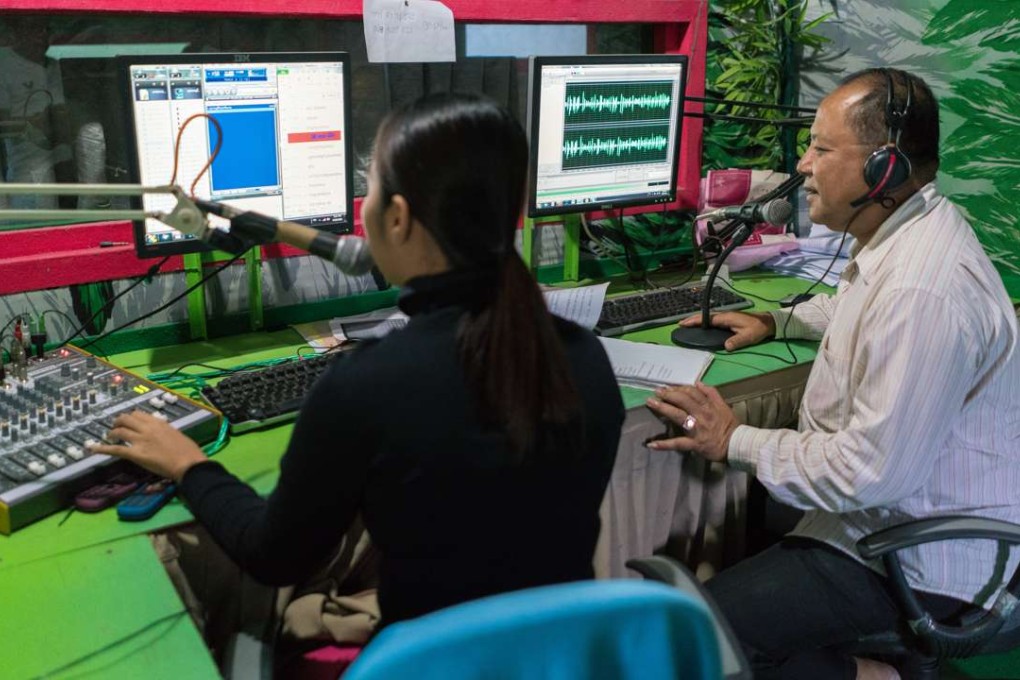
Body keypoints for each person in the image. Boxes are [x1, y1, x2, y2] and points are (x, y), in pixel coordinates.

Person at [91, 93, 625, 630]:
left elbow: (274, 556)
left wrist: (190, 465)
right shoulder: (585, 359)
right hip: (563, 660)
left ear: (397, 217)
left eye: (369, 189)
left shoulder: (367, 385)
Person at [646, 68, 1020, 679]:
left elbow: (869, 473)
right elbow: (866, 311)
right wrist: (778, 322)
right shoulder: (907, 235)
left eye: (821, 148)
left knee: (691, 639)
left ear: (884, 171)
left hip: (916, 560)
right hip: (886, 524)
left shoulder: (922, 291)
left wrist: (732, 440)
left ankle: (876, 675)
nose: (805, 164)